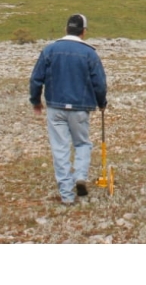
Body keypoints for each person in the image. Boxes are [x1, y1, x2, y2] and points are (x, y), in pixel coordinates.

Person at [29, 13, 107, 204]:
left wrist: (36, 100)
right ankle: (80, 175)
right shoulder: (90, 53)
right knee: (82, 144)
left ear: (66, 29)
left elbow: (36, 78)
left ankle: (66, 195)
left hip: (55, 106)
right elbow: (100, 83)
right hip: (80, 108)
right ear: (84, 32)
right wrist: (102, 102)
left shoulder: (50, 50)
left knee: (60, 148)